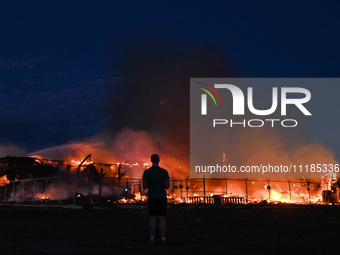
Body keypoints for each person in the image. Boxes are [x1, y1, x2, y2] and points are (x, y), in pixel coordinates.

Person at [142, 154, 170, 245]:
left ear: (151, 160)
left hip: (152, 197)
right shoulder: (164, 172)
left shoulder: (147, 172)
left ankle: (152, 239)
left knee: (153, 218)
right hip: (162, 197)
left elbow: (145, 187)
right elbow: (167, 186)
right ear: (159, 160)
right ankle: (163, 239)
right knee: (162, 218)